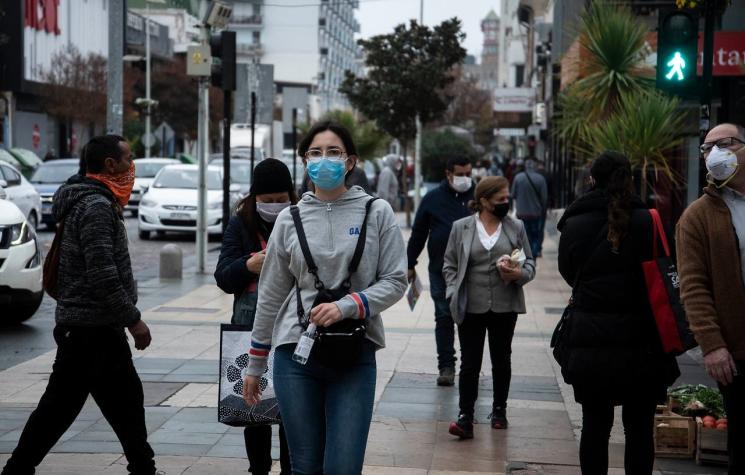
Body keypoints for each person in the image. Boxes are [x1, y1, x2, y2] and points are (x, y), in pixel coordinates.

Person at [241, 121, 407, 475]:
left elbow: (395, 280)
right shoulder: (290, 218)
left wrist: (348, 305)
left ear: (350, 162)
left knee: (344, 467)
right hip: (294, 355)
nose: (324, 160)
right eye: (315, 153)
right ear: (304, 161)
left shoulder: (377, 212)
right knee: (305, 467)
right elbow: (270, 296)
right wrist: (255, 365)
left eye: (334, 152)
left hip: (355, 352)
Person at [2, 135, 157, 475]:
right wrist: (134, 320)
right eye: (128, 158)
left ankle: (142, 466)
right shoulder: (96, 207)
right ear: (110, 165)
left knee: (120, 403)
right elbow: (102, 272)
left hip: (90, 327)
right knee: (66, 409)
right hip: (91, 329)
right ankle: (17, 469)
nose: (132, 166)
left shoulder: (90, 201)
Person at [556, 151, 680, 474]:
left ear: (592, 179)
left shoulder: (575, 222)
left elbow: (569, 273)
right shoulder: (649, 220)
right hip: (643, 344)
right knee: (639, 429)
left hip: (591, 343)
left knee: (594, 427)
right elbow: (666, 272)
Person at [214, 158, 294, 475]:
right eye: (267, 200)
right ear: (254, 197)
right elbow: (223, 276)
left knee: (293, 407)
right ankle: (258, 468)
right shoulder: (241, 224)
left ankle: (292, 468)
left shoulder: (301, 220)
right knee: (255, 403)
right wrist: (248, 265)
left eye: (281, 200)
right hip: (250, 326)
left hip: (293, 328)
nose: (275, 206)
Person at [443, 176, 535, 439]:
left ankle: (499, 410)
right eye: (500, 200)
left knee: (501, 359)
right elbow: (449, 264)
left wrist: (518, 274)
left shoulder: (515, 227)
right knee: (470, 363)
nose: (506, 203)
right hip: (470, 305)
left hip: (505, 306)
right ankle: (465, 416)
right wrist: (452, 291)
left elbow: (529, 264)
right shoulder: (461, 228)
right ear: (484, 201)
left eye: (507, 199)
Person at [677, 123, 745, 475]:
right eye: (707, 148)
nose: (715, 153)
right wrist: (712, 345)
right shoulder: (697, 217)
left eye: (725, 144)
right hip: (736, 353)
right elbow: (693, 285)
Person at [407, 156, 474, 386]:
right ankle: (446, 366)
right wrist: (409, 262)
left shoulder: (478, 196)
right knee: (444, 317)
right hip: (440, 270)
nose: (466, 179)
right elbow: (418, 232)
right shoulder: (433, 199)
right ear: (448, 173)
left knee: (469, 319)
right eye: (461, 174)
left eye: (468, 173)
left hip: (472, 271)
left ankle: (469, 366)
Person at [511, 158, 548, 258]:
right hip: (536, 213)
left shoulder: (518, 177)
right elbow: (544, 198)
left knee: (523, 236)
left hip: (522, 213)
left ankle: (525, 256)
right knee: (535, 235)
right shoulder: (541, 179)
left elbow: (513, 195)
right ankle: (533, 255)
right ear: (535, 166)